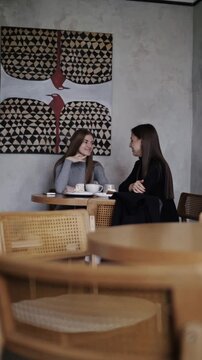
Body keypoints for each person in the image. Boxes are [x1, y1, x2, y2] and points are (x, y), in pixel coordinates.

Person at [112, 123, 179, 224]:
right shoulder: (139, 164)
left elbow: (140, 194)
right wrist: (131, 186)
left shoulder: (157, 165)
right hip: (149, 218)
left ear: (143, 141)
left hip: (163, 221)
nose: (130, 145)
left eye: (132, 140)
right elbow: (122, 187)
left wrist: (133, 188)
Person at [54, 128, 109, 193]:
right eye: (85, 142)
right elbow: (59, 189)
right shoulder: (62, 164)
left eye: (91, 143)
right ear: (76, 143)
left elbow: (107, 190)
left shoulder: (96, 166)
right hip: (66, 203)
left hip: (88, 203)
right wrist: (68, 161)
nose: (90, 146)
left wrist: (74, 189)